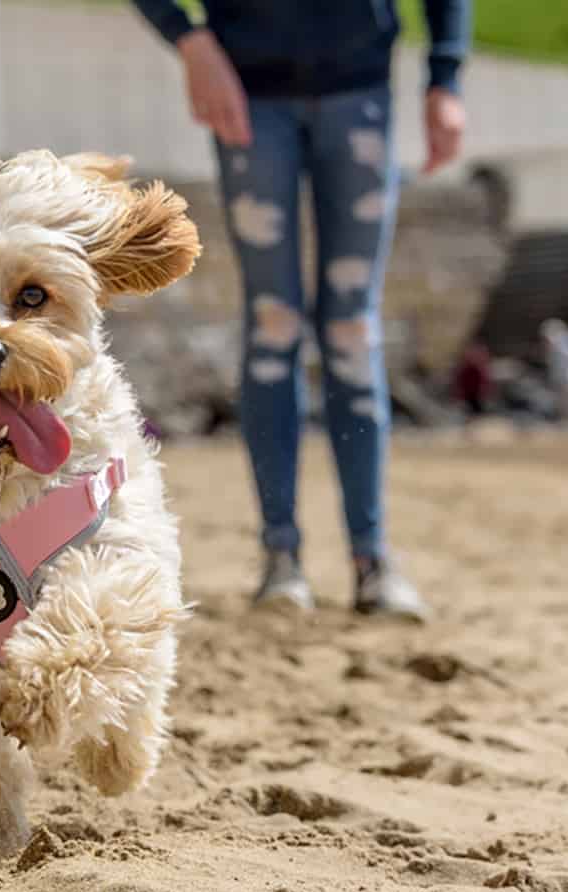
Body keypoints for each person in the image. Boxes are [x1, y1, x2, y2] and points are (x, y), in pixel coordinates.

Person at [131, 0, 471, 620]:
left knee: (350, 328)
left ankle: (372, 561)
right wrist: (190, 42)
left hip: (360, 89)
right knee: (273, 323)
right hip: (249, 96)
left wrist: (445, 76)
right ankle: (280, 559)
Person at [453, 338, 494, 422]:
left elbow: (484, 380)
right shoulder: (467, 368)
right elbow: (460, 381)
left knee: (477, 415)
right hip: (469, 394)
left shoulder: (479, 368)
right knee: (470, 414)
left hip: (477, 394)